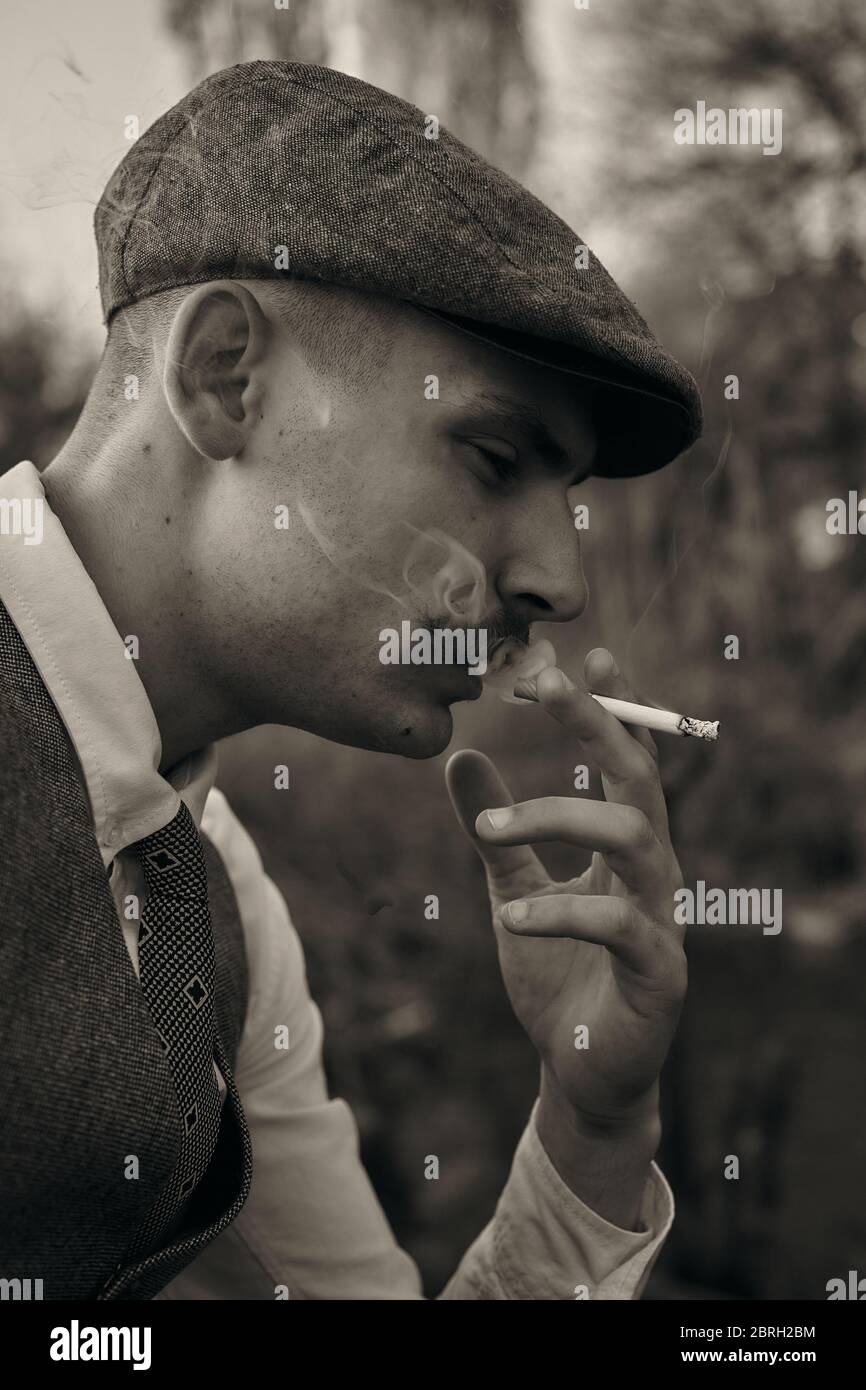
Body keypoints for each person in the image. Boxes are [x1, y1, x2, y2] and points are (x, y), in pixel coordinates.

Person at [0, 60, 702, 1301]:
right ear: (226, 375)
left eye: (570, 500)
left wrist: (591, 1134)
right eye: (493, 457)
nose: (557, 580)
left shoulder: (210, 908)